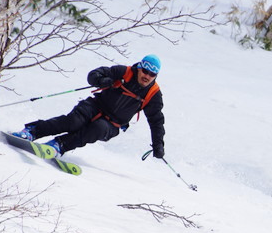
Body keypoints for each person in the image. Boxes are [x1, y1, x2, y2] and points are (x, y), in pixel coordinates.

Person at [12, 54, 165, 159]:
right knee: (73, 122)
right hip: (95, 106)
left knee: (97, 129)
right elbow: (94, 74)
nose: (147, 76)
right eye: (145, 71)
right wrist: (102, 81)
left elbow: (156, 121)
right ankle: (33, 131)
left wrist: (158, 145)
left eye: (152, 74)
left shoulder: (153, 94)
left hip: (113, 124)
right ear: (139, 68)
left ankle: (59, 145)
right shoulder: (123, 72)